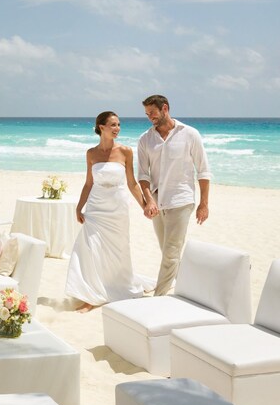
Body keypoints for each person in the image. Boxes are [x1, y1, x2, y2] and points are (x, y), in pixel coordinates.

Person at [65, 111, 152, 313]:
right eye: (113, 125)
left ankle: (115, 287)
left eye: (119, 125)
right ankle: (92, 296)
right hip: (96, 208)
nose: (117, 129)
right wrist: (79, 207)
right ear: (101, 127)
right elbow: (88, 183)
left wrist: (145, 205)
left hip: (117, 209)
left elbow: (132, 183)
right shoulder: (91, 154)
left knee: (119, 251)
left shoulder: (126, 152)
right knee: (91, 249)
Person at [136, 94, 212, 296]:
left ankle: (158, 298)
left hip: (181, 200)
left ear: (165, 109)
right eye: (146, 114)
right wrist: (148, 200)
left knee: (170, 254)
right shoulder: (145, 139)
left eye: (152, 112)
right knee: (169, 253)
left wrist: (204, 203)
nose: (149, 117)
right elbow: (143, 175)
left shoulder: (190, 134)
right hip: (157, 202)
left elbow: (203, 171)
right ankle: (194, 289)